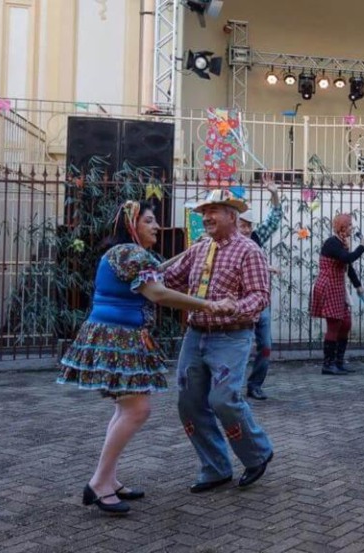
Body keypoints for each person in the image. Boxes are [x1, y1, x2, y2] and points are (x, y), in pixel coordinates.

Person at [57, 200, 231, 515]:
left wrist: (190, 251)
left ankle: (108, 479)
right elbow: (158, 293)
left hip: (116, 337)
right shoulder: (129, 253)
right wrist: (209, 305)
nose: (156, 226)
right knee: (137, 410)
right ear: (131, 226)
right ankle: (98, 484)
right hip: (118, 338)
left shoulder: (128, 254)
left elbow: (156, 270)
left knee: (125, 410)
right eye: (149, 221)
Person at [163, 189, 275, 494]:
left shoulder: (248, 250)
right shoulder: (199, 249)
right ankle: (215, 467)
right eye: (204, 212)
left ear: (232, 216)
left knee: (222, 399)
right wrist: (141, 273)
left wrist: (234, 306)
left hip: (231, 335)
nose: (207, 217)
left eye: (214, 211)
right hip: (195, 334)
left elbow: (260, 296)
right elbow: (170, 280)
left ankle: (258, 454)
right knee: (188, 403)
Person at [238, 177, 283, 400]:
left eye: (248, 226)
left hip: (260, 303)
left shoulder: (255, 238)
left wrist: (274, 194)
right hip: (238, 304)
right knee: (240, 347)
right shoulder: (225, 244)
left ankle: (255, 384)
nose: (245, 230)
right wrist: (267, 266)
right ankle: (230, 386)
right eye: (241, 225)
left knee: (265, 345)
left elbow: (274, 219)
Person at [310, 213, 364, 375]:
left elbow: (347, 265)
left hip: (338, 287)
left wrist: (358, 286)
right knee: (334, 324)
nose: (352, 228)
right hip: (329, 286)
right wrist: (362, 246)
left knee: (345, 324)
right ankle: (328, 365)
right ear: (342, 227)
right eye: (349, 225)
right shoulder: (332, 243)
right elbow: (348, 258)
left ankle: (339, 362)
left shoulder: (341, 242)